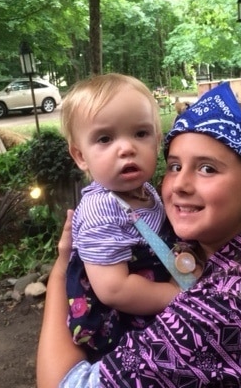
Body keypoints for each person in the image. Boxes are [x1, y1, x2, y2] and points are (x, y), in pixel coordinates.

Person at [37, 82, 241, 387]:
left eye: (207, 169)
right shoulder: (238, 249)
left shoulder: (217, 313)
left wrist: (60, 273)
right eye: (175, 166)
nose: (179, 184)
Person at [60, 73, 181, 361]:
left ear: (157, 141)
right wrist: (177, 295)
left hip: (150, 306)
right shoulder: (102, 210)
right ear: (81, 156)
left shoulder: (145, 191)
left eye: (141, 133)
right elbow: (114, 289)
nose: (127, 148)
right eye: (105, 138)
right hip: (122, 333)